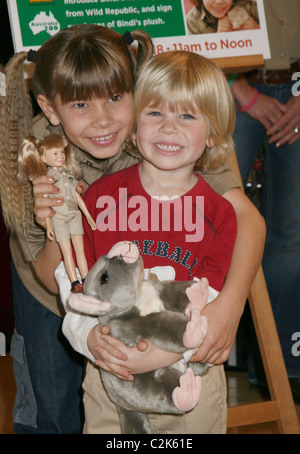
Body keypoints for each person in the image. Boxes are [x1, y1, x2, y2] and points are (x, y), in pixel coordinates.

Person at [0, 24, 265, 433]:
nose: (103, 120)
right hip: (62, 278)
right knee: (50, 404)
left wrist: (228, 307)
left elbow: (246, 218)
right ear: (50, 110)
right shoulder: (34, 156)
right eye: (80, 106)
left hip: (153, 298)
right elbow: (50, 275)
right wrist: (55, 222)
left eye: (116, 98)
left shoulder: (167, 129)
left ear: (136, 90)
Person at [58, 50, 237, 434]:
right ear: (135, 126)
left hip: (189, 380)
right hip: (108, 376)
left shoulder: (219, 214)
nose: (168, 128)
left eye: (187, 116)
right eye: (155, 113)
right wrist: (87, 337)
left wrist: (165, 352)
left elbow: (214, 303)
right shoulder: (99, 199)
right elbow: (72, 281)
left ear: (212, 135)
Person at [230, 0, 300, 402]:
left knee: (292, 236)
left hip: (296, 85)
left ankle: (281, 367)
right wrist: (238, 87)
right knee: (213, 223)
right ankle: (195, 357)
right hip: (229, 80)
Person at [18, 134, 97, 293]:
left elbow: (77, 198)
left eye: (62, 153)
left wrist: (88, 217)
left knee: (79, 249)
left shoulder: (68, 176)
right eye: (55, 154)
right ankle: (75, 282)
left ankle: (86, 277)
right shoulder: (47, 180)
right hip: (59, 219)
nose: (60, 156)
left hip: (75, 216)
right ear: (44, 158)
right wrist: (48, 226)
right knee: (67, 251)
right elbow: (45, 205)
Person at [186, 0, 259, 35]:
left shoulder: (251, 7)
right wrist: (219, 41)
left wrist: (259, 29)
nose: (219, 1)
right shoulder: (192, 21)